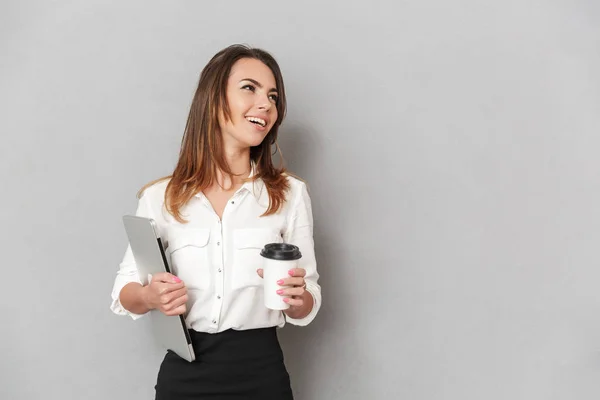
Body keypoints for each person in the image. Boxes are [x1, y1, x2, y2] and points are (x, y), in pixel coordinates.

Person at [110, 44, 321, 399]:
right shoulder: (160, 197)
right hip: (186, 376)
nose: (266, 104)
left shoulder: (290, 194)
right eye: (249, 88)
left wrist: (298, 299)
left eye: (273, 96)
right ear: (214, 98)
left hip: (262, 375)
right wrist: (150, 296)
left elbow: (309, 297)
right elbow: (124, 293)